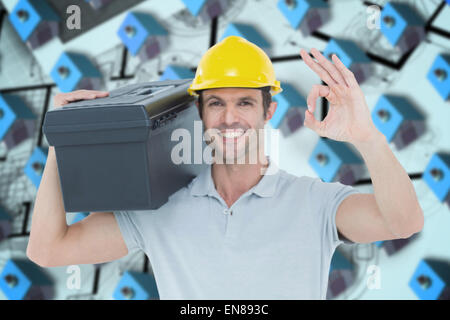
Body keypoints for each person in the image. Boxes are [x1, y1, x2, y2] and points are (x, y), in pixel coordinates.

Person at [27, 36, 424, 299]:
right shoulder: (160, 208)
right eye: (216, 103)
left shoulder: (315, 203)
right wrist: (63, 139)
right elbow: (47, 249)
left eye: (245, 103)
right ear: (199, 111)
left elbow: (402, 222)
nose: (230, 117)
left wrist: (368, 136)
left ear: (269, 110)